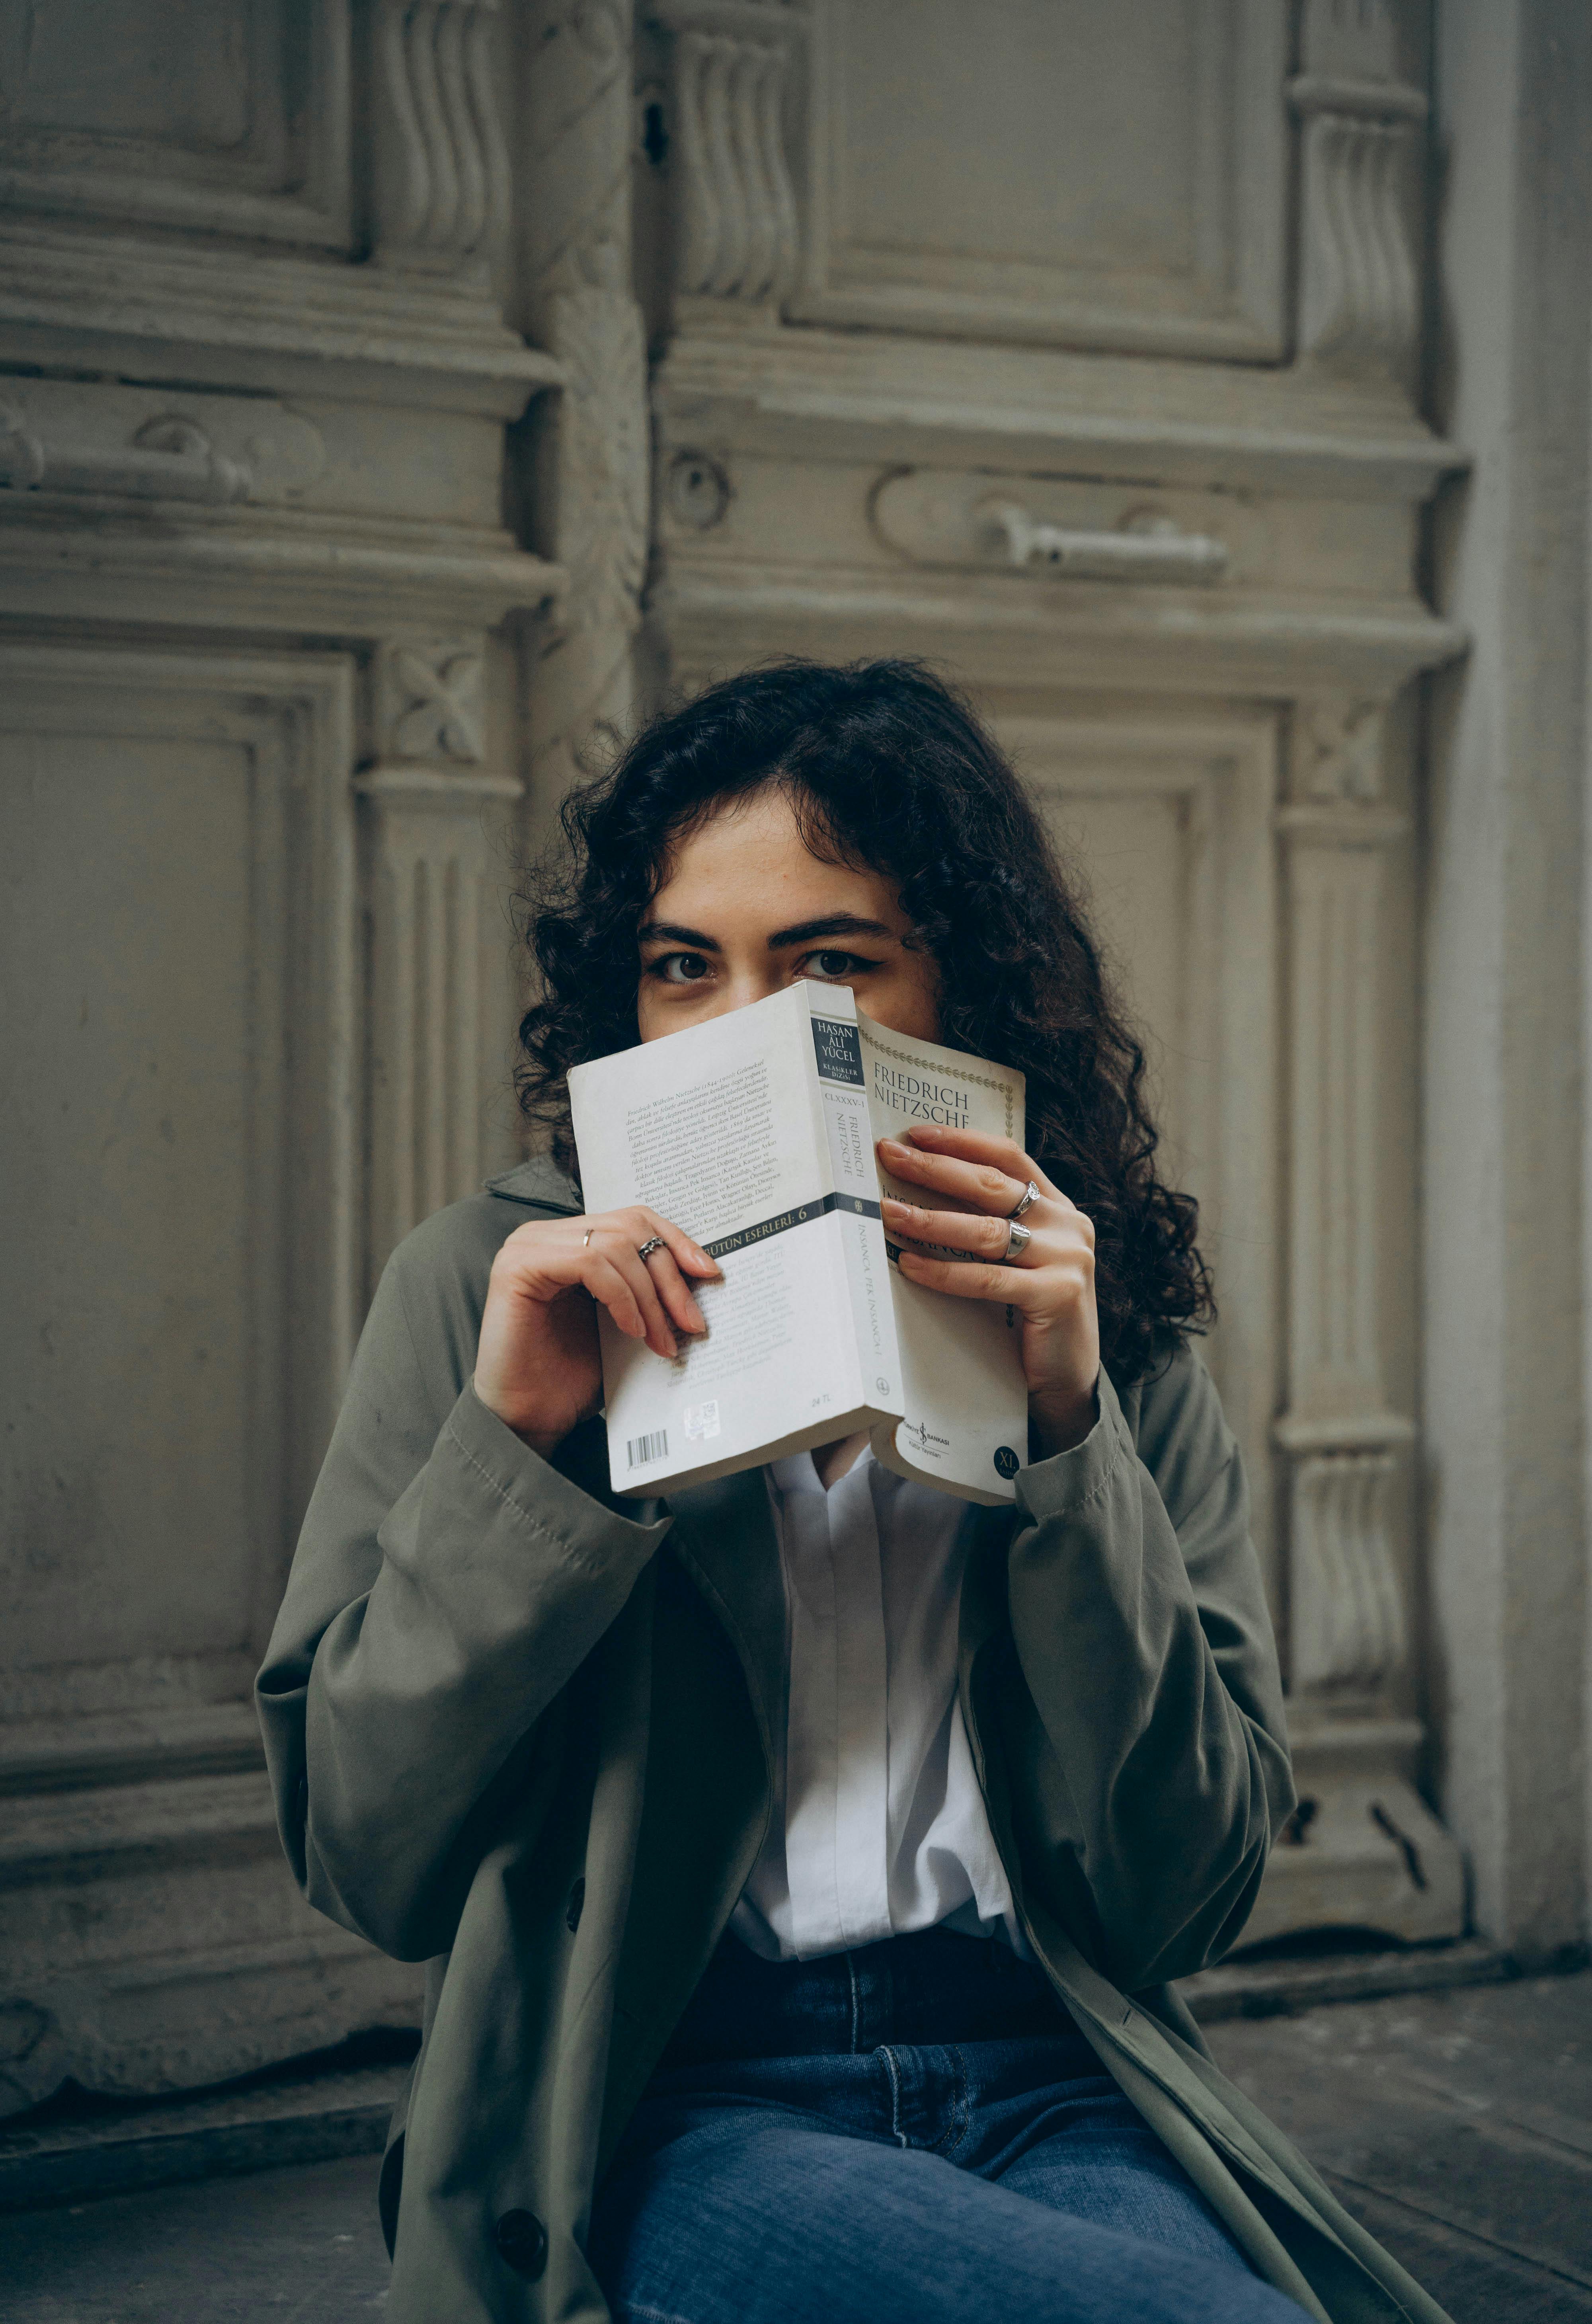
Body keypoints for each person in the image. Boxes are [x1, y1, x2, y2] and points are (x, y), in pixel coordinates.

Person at [258, 660, 1450, 2324]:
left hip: (1047, 2070)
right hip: (671, 2096)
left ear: (958, 986)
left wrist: (1069, 1435)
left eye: (829, 963)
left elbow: (1188, 1895)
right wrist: (517, 1457)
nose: (748, 1029)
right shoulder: (493, 1288)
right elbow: (364, 1857)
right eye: (686, 967)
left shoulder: (1092, 1322)